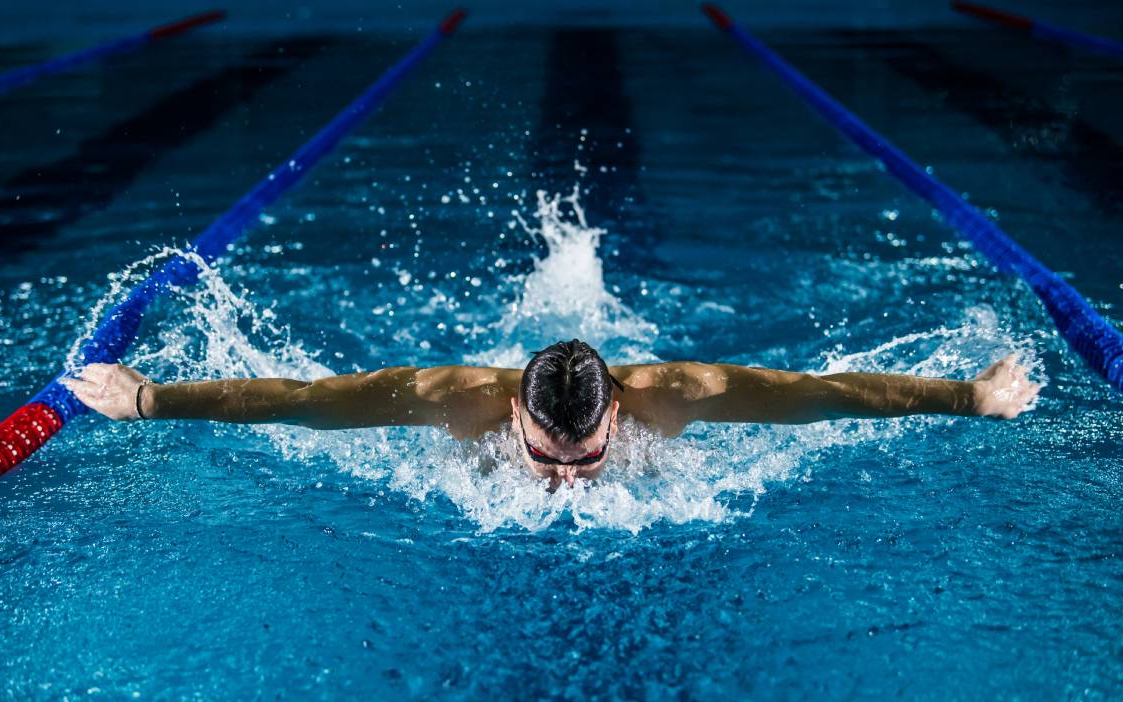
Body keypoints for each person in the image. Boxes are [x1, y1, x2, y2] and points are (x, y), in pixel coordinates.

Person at [63, 339, 1039, 491]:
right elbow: (307, 404)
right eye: (545, 454)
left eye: (583, 457)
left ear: (620, 408)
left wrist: (971, 397)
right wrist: (150, 400)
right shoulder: (456, 401)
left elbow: (826, 395)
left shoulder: (680, 394)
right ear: (514, 416)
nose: (563, 480)